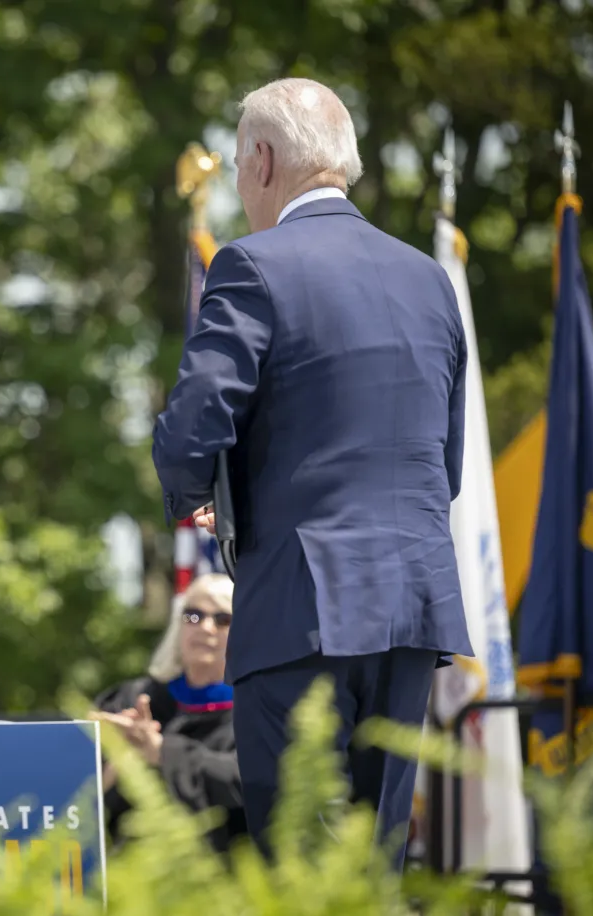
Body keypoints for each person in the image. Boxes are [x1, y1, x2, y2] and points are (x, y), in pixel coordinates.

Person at [152, 78, 472, 868]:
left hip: (303, 612)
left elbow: (193, 425)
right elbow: (448, 462)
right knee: (377, 869)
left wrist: (194, 494)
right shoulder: (429, 281)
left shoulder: (253, 266)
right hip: (412, 613)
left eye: (235, 165)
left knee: (303, 867)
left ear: (262, 160)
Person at [92, 574, 244, 851]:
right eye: (194, 616)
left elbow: (246, 781)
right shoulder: (133, 700)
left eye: (223, 619)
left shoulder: (255, 713)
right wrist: (122, 752)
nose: (206, 628)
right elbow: (80, 796)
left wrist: (162, 752)